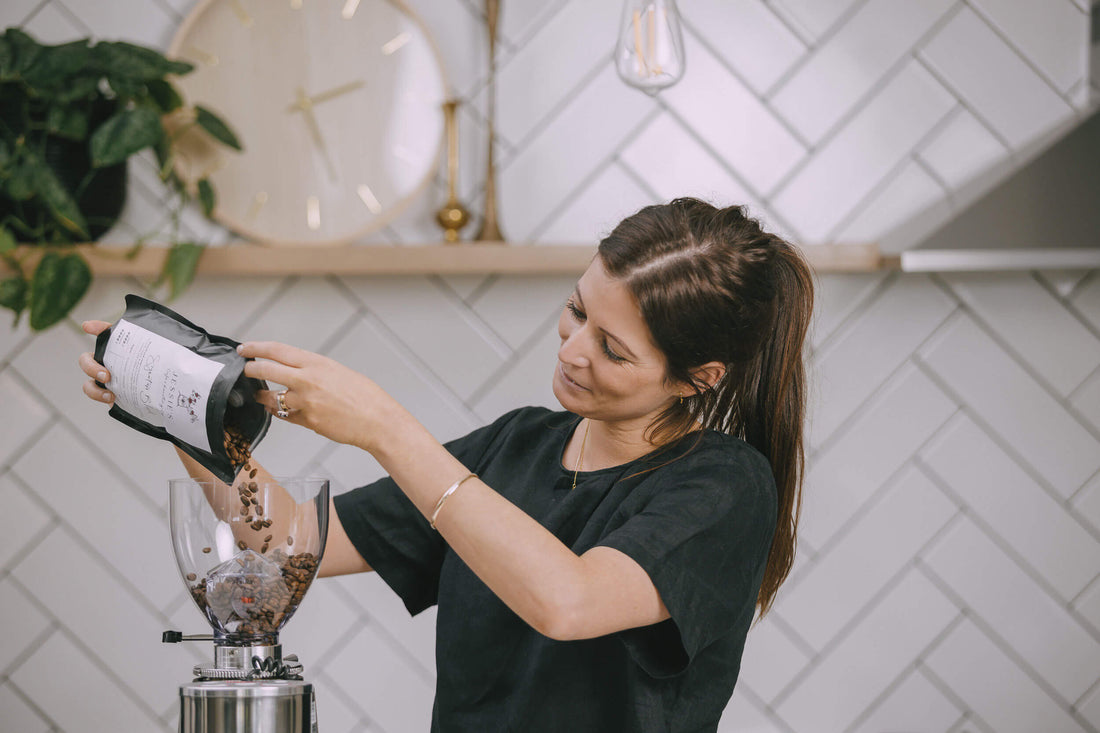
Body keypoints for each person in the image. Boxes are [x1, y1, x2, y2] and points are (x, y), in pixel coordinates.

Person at [78, 198, 813, 733]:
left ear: (698, 377)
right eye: (576, 309)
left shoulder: (724, 485)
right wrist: (182, 406)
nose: (572, 349)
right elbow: (292, 539)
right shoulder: (519, 444)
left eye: (613, 349)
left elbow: (569, 601)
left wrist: (384, 426)